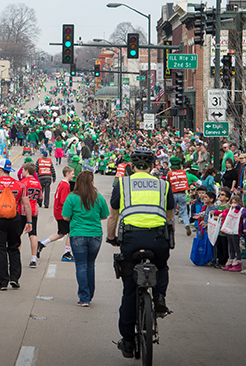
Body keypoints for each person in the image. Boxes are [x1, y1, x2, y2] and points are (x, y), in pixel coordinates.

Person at [107, 147, 175, 359]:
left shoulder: (122, 183)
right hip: (157, 238)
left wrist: (111, 238)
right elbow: (170, 215)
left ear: (132, 166)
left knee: (129, 289)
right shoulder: (163, 184)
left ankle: (128, 342)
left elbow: (113, 217)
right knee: (162, 265)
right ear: (153, 165)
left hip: (131, 239)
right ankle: (160, 296)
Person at [0, 158, 32, 290]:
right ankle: (15, 278)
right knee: (14, 248)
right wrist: (29, 221)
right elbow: (26, 205)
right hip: (15, 219)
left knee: (0, 250)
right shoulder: (20, 185)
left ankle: (3, 282)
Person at [62, 170, 109, 306]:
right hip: (95, 235)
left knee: (81, 266)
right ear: (92, 182)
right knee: (90, 265)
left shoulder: (72, 197)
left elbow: (65, 216)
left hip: (78, 234)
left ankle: (84, 297)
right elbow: (105, 215)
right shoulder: (98, 197)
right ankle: (90, 294)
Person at [37, 166, 75, 262]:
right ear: (67, 174)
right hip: (62, 212)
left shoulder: (62, 183)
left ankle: (42, 243)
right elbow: (63, 200)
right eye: (72, 174)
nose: (73, 176)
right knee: (70, 232)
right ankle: (66, 253)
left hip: (58, 211)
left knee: (61, 233)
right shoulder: (66, 185)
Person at [19, 162, 42, 268]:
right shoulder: (37, 183)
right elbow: (40, 197)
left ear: (27, 171)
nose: (22, 172)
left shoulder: (22, 183)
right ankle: (33, 258)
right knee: (33, 235)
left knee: (17, 235)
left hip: (22, 211)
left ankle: (16, 257)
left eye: (23, 170)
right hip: (34, 211)